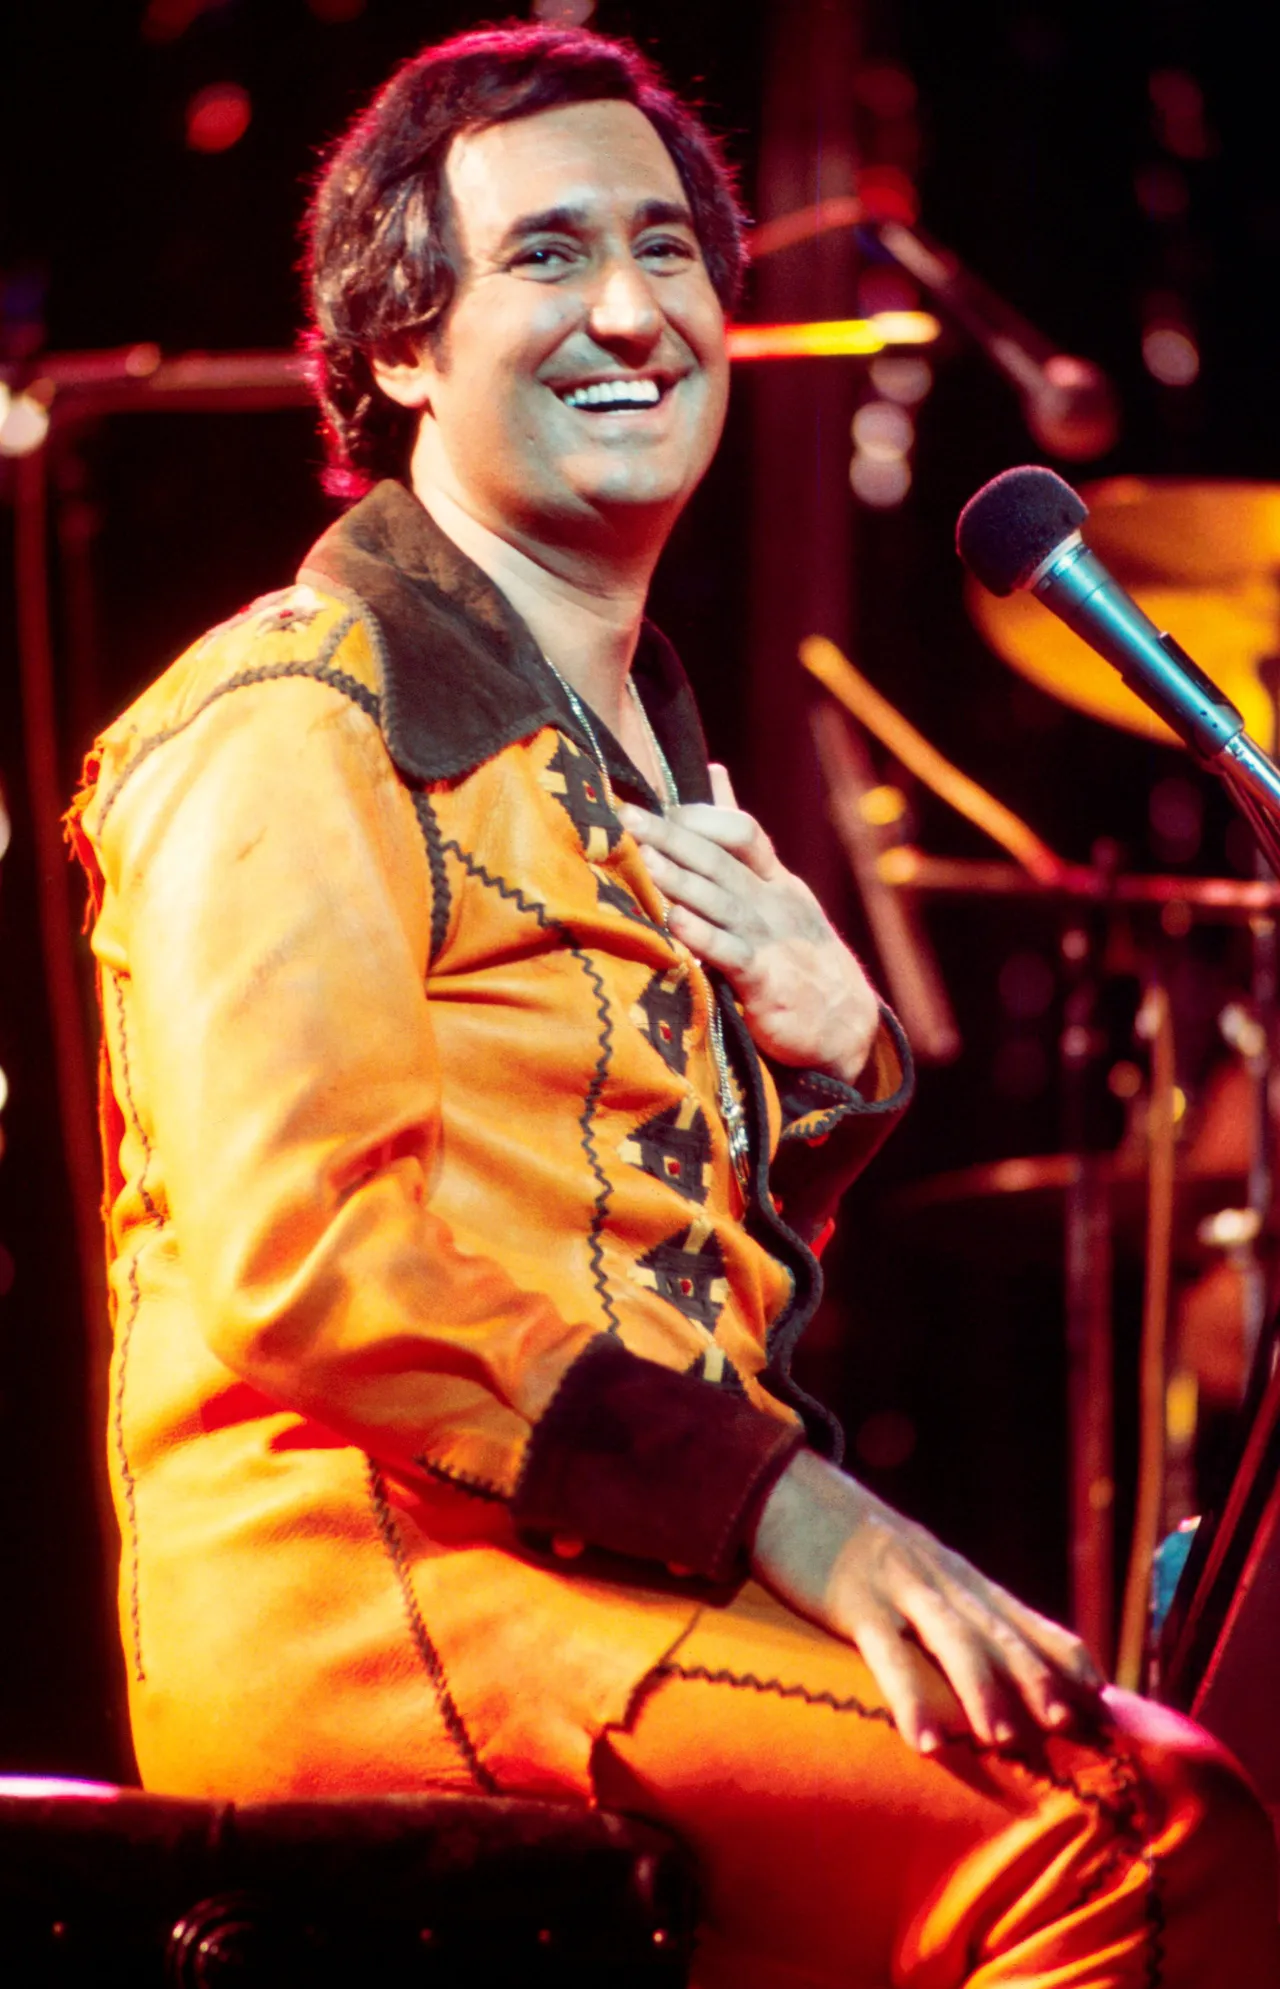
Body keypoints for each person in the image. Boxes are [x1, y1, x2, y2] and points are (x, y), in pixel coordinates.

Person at [68, 24, 1279, 1987]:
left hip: (593, 1595)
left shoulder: (618, 756)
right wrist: (797, 1510)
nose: (632, 308)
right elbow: (320, 1260)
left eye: (670, 253)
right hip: (385, 1614)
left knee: (1157, 1781)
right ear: (399, 347)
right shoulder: (291, 712)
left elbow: (607, 1265)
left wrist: (829, 1072)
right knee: (1135, 1845)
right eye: (545, 256)